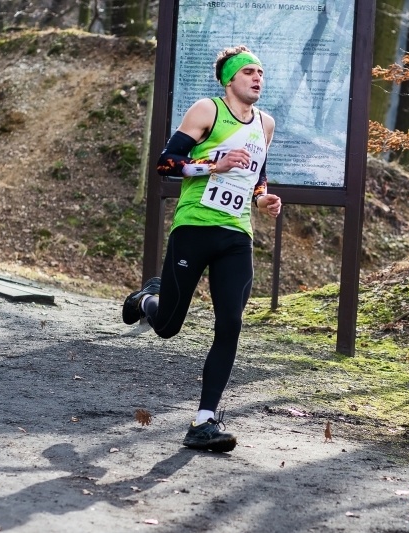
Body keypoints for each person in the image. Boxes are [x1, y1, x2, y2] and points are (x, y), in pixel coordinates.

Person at [121, 45, 282, 453]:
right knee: (169, 326)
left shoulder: (266, 123)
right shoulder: (207, 111)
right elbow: (166, 163)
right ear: (230, 79)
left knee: (230, 322)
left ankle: (204, 421)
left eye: (261, 73)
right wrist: (213, 165)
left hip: (235, 235)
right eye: (248, 72)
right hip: (194, 227)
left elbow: (257, 176)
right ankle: (148, 300)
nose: (257, 78)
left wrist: (263, 199)